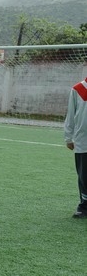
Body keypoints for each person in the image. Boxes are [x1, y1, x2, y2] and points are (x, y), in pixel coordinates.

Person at [65, 77, 87, 218]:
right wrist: (68, 137)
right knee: (84, 176)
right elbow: (71, 114)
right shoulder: (78, 89)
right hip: (83, 141)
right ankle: (84, 206)